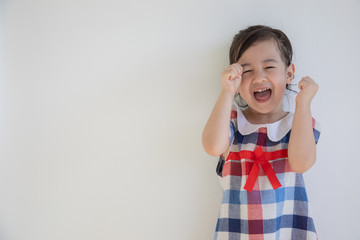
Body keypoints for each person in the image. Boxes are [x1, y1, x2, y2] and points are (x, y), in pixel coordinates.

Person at [202, 25, 321, 240]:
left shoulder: (299, 125)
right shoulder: (232, 124)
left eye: (269, 67)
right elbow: (212, 146)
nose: (259, 78)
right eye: (247, 71)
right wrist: (226, 92)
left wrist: (303, 103)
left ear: (289, 73)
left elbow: (301, 163)